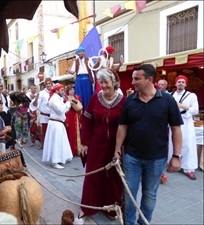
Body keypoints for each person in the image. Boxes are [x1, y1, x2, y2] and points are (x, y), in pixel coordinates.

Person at [114, 64, 183, 225]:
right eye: (133, 78)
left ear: (150, 79)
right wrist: (117, 149)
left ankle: (143, 222)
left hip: (157, 158)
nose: (133, 82)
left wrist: (176, 156)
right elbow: (122, 126)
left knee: (149, 195)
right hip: (132, 157)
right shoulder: (130, 100)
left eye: (137, 79)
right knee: (129, 194)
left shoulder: (167, 100)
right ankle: (129, 223)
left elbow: (176, 129)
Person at [76, 69, 126, 223]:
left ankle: (111, 207)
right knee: (92, 175)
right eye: (101, 82)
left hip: (115, 146)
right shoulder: (94, 99)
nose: (103, 85)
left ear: (114, 82)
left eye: (106, 82)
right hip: (96, 144)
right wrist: (84, 143)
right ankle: (87, 208)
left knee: (113, 177)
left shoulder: (124, 101)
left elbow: (126, 125)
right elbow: (87, 120)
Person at [168, 75, 199, 180]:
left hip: (187, 123)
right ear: (175, 84)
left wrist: (182, 106)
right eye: (179, 82)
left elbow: (195, 110)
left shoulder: (192, 95)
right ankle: (174, 165)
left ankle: (189, 169)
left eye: (182, 82)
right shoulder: (171, 95)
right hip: (174, 123)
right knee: (174, 144)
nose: (180, 83)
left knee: (188, 145)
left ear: (185, 84)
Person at [42, 83, 73, 169]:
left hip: (59, 123)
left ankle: (62, 158)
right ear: (56, 91)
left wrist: (67, 104)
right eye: (62, 90)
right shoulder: (54, 99)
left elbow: (64, 110)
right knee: (56, 143)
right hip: (55, 124)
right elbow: (60, 110)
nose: (63, 92)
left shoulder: (58, 98)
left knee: (61, 142)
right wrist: (68, 102)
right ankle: (54, 162)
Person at [67, 47, 94, 111]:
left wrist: (98, 62)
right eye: (78, 52)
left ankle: (88, 111)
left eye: (81, 52)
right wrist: (69, 70)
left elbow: (93, 68)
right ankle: (79, 109)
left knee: (88, 95)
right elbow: (73, 72)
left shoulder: (89, 59)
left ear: (83, 52)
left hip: (87, 78)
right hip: (79, 79)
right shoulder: (76, 61)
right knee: (78, 95)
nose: (79, 53)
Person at [29, 78, 53, 150]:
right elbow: (35, 105)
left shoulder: (54, 92)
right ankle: (45, 147)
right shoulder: (42, 93)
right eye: (46, 84)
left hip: (53, 117)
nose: (48, 85)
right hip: (44, 116)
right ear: (45, 85)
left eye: (49, 83)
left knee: (52, 133)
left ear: (51, 84)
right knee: (44, 133)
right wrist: (36, 98)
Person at [64, 84, 83, 156]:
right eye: (70, 90)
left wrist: (72, 100)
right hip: (69, 117)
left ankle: (76, 150)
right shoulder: (65, 98)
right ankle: (70, 151)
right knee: (70, 133)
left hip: (76, 117)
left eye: (73, 89)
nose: (72, 91)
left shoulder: (76, 97)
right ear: (68, 91)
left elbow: (79, 107)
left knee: (76, 133)